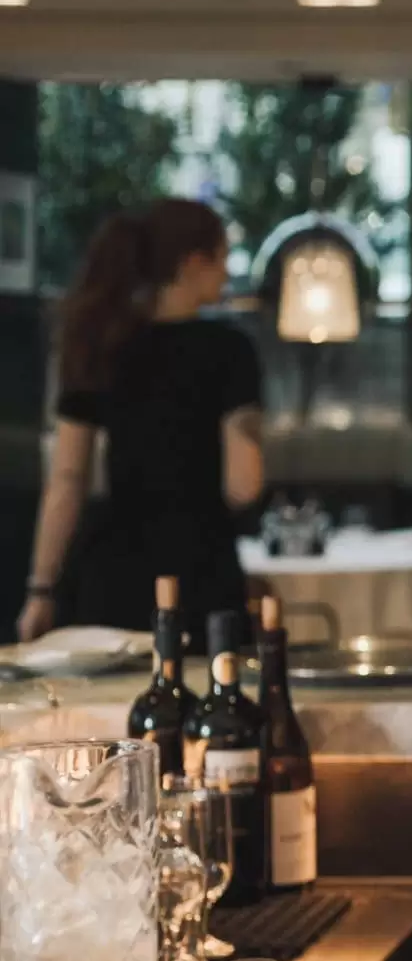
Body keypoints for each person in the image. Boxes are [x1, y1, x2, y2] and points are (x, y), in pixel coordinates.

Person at [16, 199, 263, 644]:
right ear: (192, 263)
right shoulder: (229, 350)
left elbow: (66, 481)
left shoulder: (100, 344)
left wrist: (41, 588)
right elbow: (243, 484)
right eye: (222, 258)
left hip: (113, 574)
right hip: (201, 569)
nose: (227, 273)